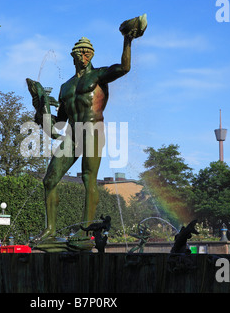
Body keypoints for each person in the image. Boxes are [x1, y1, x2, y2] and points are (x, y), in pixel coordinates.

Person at [28, 16, 147, 242]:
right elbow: (58, 123)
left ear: (92, 55)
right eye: (80, 53)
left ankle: (84, 233)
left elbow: (124, 67)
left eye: (87, 53)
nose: (84, 57)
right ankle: (50, 230)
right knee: (49, 179)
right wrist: (39, 114)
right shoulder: (65, 87)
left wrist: (127, 41)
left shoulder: (99, 75)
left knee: (88, 179)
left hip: (93, 129)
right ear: (73, 56)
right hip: (72, 133)